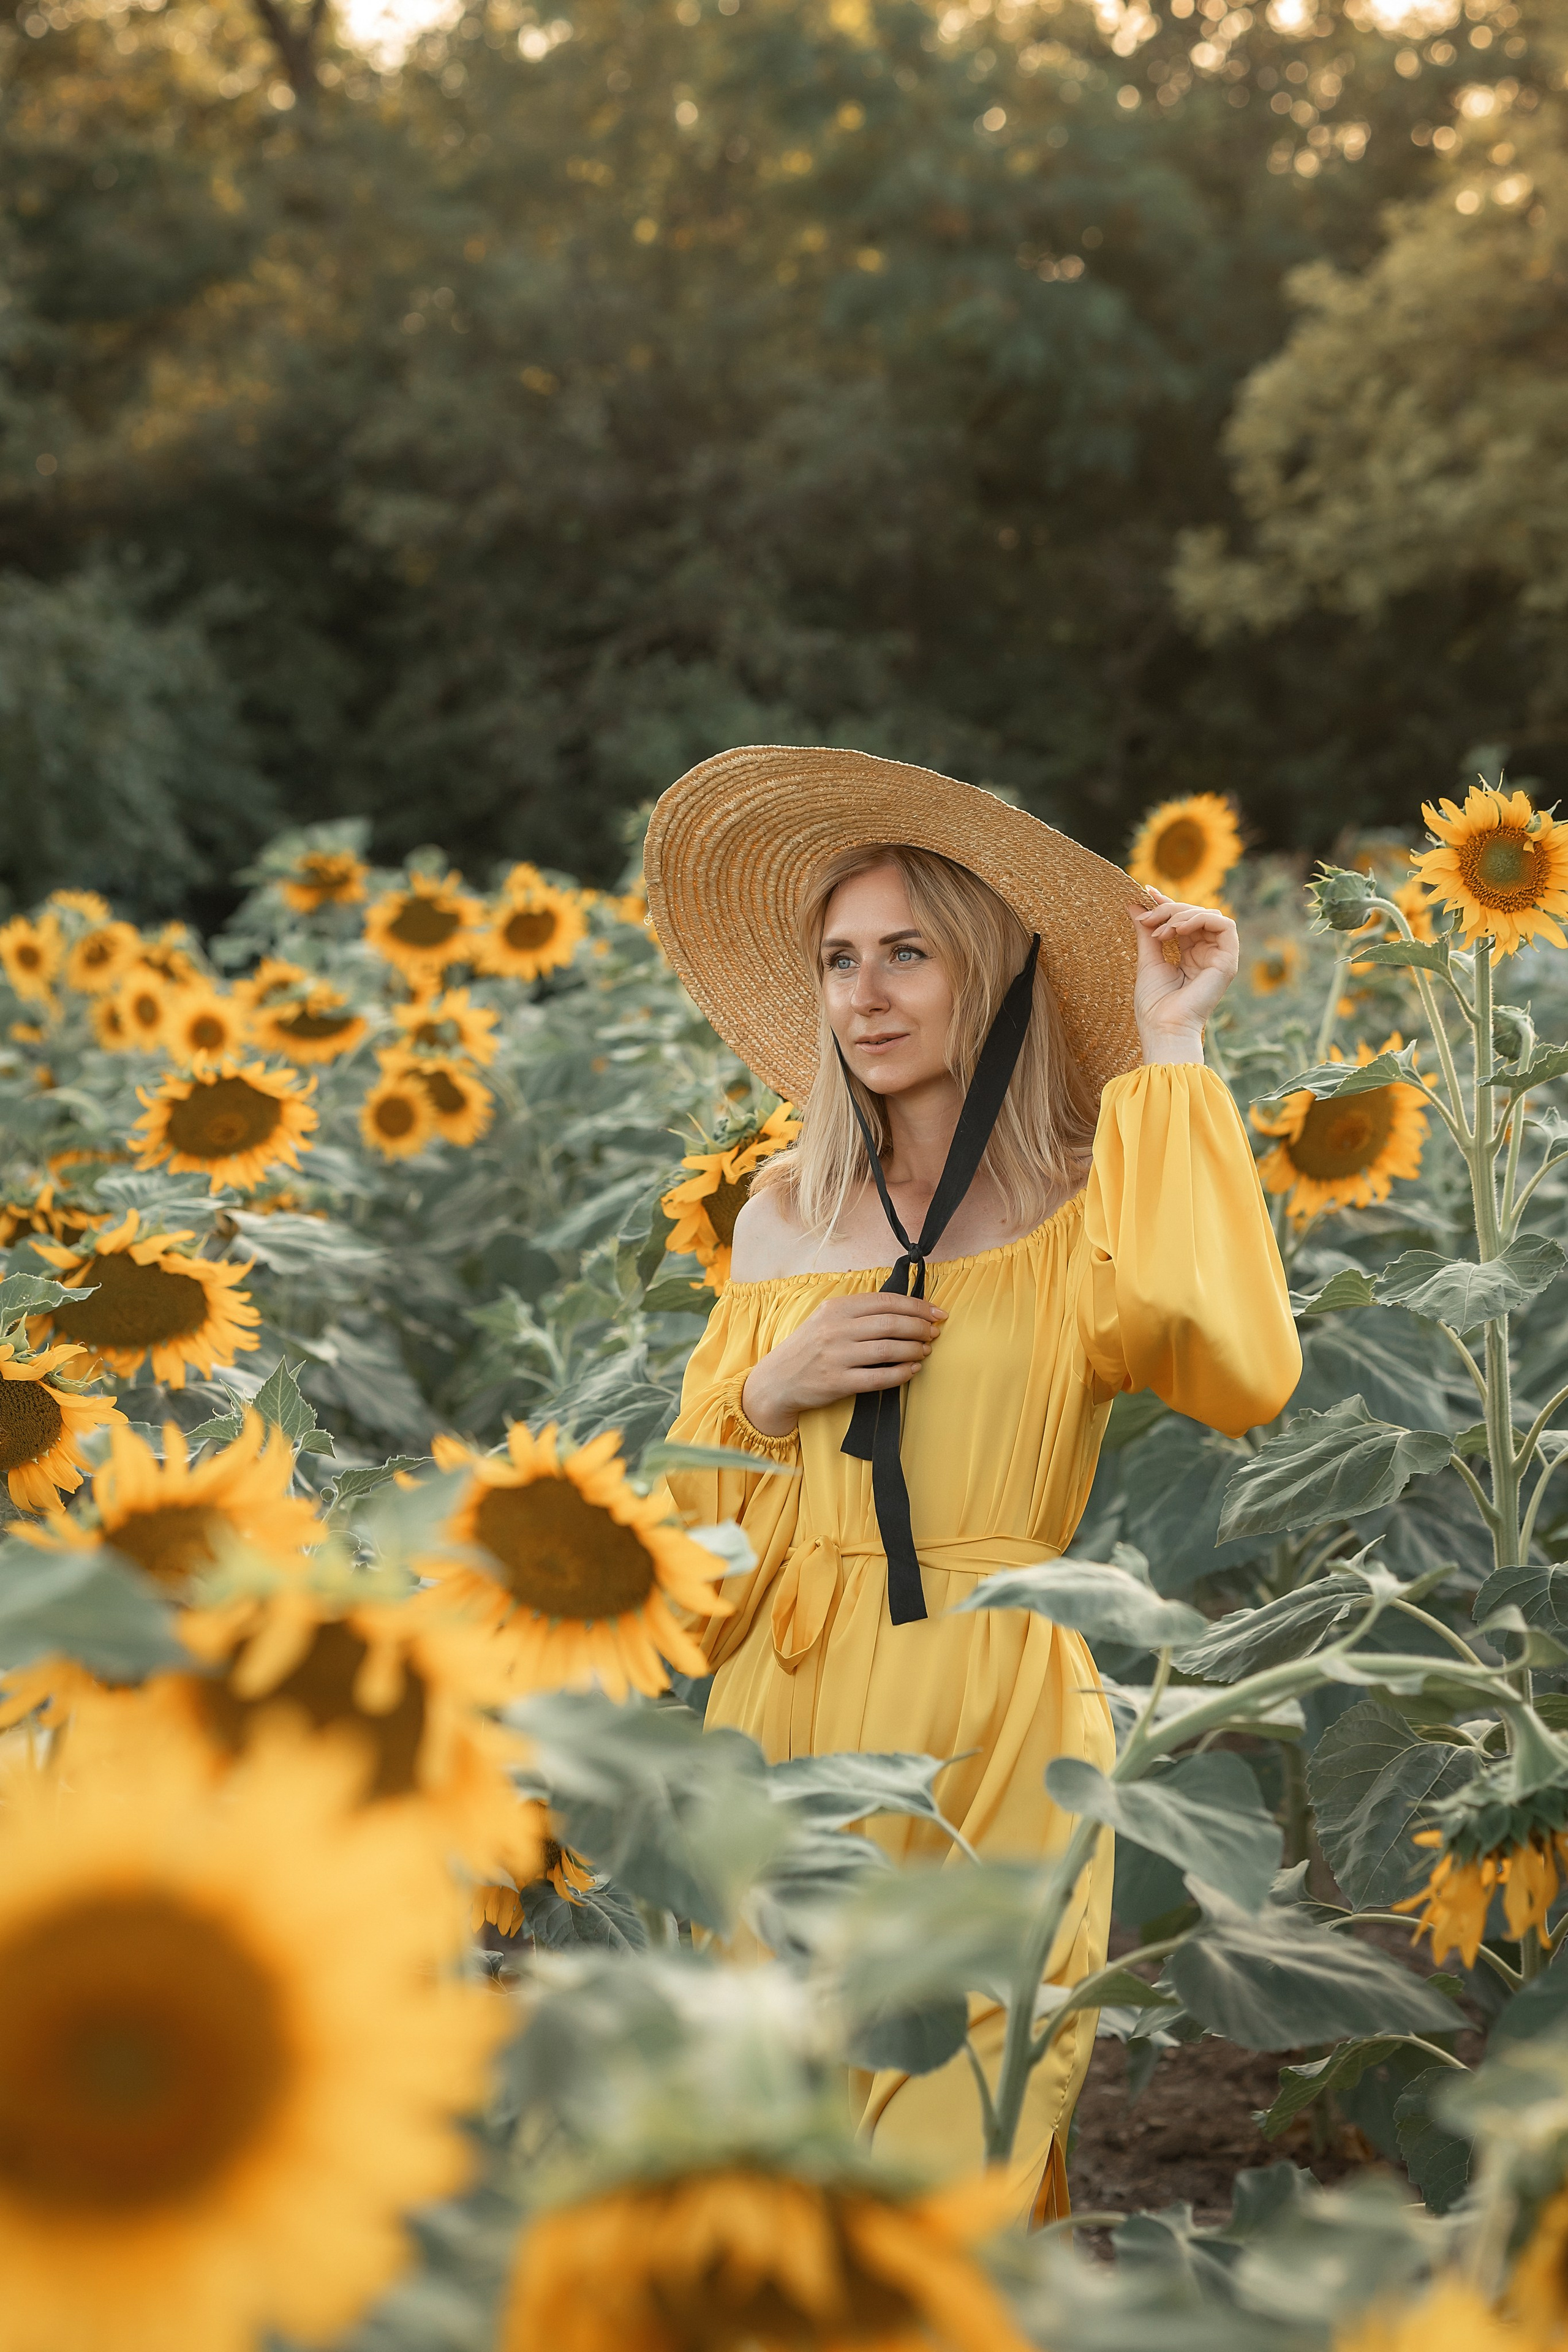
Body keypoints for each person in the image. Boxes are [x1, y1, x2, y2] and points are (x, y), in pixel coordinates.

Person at [644, 745, 1300, 2222]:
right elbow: (696, 1551)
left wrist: (1172, 1049)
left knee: (956, 2151)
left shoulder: (1081, 1206)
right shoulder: (778, 1214)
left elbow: (1231, 1367)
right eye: (835, 961)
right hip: (783, 1717)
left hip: (992, 1706)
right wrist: (768, 1391)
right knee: (777, 2147)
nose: (862, 996)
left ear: (987, 977)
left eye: (904, 955)